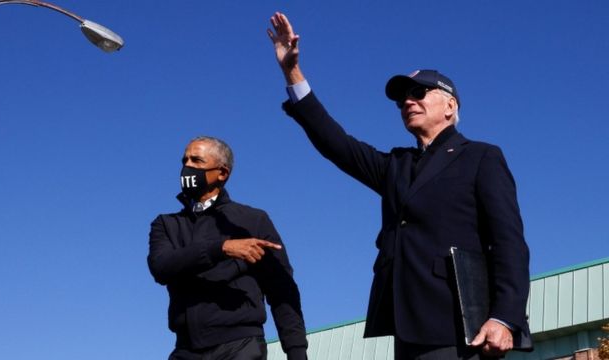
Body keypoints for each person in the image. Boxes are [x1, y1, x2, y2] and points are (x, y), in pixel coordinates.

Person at [267, 12, 531, 360]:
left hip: (462, 325)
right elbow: (337, 144)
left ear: (450, 105)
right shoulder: (397, 165)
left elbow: (508, 241)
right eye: (401, 98)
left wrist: (504, 317)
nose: (408, 101)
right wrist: (292, 73)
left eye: (419, 92)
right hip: (407, 326)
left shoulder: (481, 157)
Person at [148, 136, 308, 360]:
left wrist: (296, 350)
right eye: (184, 160)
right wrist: (221, 248)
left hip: (240, 347)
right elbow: (161, 266)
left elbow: (281, 289)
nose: (187, 167)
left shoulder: (253, 220)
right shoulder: (166, 224)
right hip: (185, 350)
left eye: (197, 160)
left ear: (222, 173)